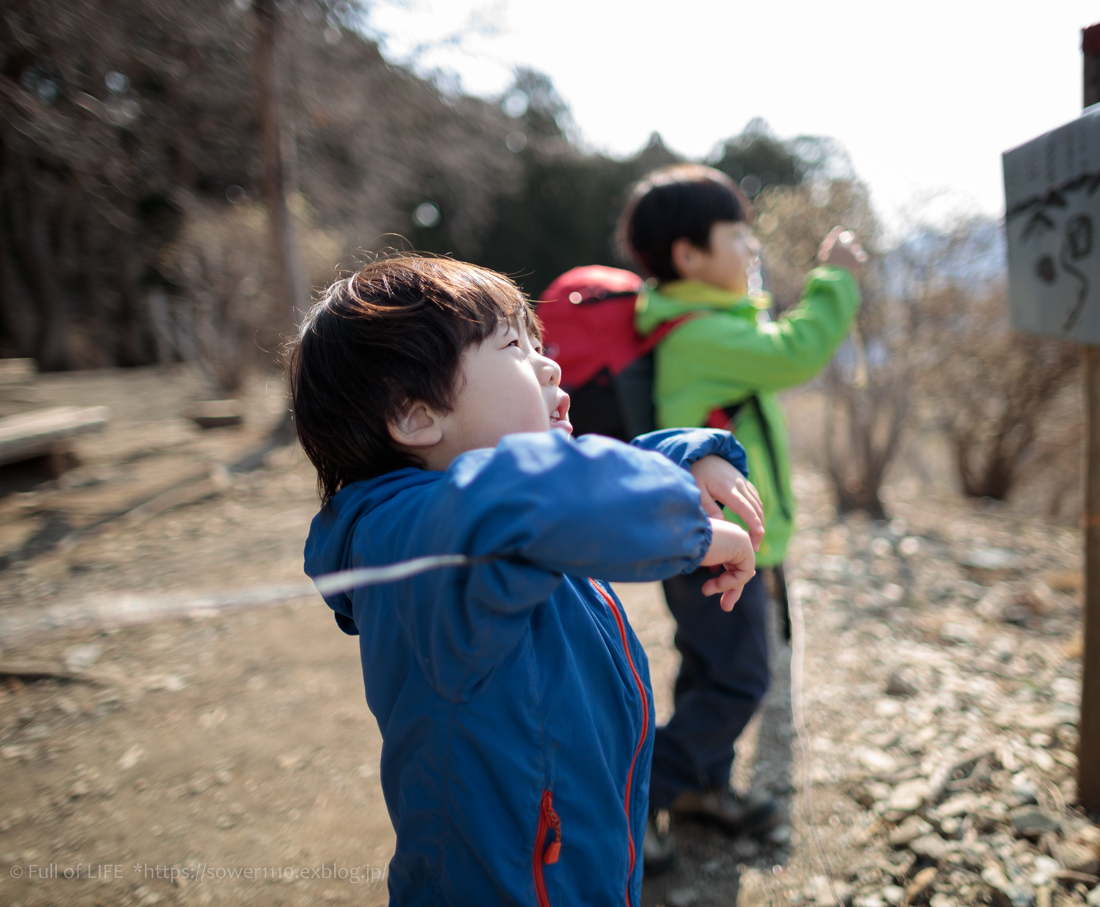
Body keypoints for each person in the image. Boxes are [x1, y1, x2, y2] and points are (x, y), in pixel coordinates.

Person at [289, 255, 766, 906]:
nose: (549, 362)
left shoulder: (480, 513)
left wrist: (680, 458)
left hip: (579, 860)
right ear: (415, 414)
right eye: (515, 345)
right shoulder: (418, 530)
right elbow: (541, 490)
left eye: (540, 341)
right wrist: (689, 518)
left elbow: (562, 478)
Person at [620, 164, 865, 870]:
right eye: (737, 234)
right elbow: (798, 351)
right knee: (740, 677)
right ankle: (634, 797)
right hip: (712, 543)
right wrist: (836, 278)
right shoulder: (698, 334)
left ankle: (699, 788)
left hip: (714, 538)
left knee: (710, 669)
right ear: (689, 255)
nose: (752, 248)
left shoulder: (707, 324)